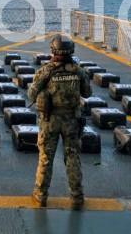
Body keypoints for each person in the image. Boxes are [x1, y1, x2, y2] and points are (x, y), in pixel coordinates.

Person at [28, 34, 91, 210]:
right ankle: (77, 196)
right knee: (72, 157)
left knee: (46, 158)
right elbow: (87, 93)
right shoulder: (78, 71)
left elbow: (31, 94)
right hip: (72, 121)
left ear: (53, 51)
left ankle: (41, 195)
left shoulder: (46, 71)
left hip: (50, 121)